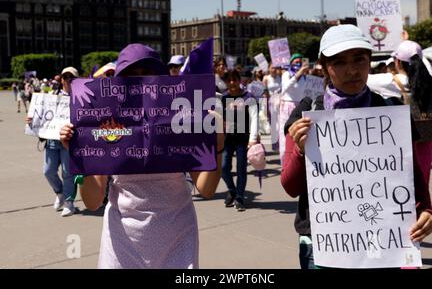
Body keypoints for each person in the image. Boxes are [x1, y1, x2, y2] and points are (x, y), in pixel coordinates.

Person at [280, 25, 432, 269]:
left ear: (370, 61)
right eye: (339, 62)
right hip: (324, 246)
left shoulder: (390, 112)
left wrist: (426, 211)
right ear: (323, 66)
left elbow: (413, 176)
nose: (352, 70)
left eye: (360, 60)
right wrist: (301, 151)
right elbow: (290, 186)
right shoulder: (308, 113)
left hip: (383, 242)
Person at [60, 44, 224, 269]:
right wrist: (79, 155)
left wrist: (218, 145)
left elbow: (206, 188)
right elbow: (92, 201)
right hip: (122, 240)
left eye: (147, 73)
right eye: (131, 75)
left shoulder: (181, 119)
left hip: (176, 236)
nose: (139, 82)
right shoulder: (106, 122)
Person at [26, 67, 78, 217]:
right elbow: (40, 114)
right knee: (48, 171)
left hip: (69, 140)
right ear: (61, 79)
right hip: (52, 140)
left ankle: (69, 202)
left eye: (71, 77)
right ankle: (59, 193)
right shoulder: (51, 95)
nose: (68, 80)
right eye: (65, 77)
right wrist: (31, 119)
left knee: (68, 173)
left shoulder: (80, 98)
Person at [392, 41, 432, 184]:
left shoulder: (393, 81)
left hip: (405, 144)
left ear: (398, 62)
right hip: (426, 140)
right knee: (423, 186)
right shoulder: (429, 81)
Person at [221, 70, 259, 211]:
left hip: (243, 139)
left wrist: (253, 139)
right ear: (226, 82)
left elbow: (254, 118)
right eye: (229, 80)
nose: (232, 83)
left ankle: (240, 197)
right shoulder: (222, 98)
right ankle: (232, 190)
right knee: (224, 168)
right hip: (227, 139)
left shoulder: (249, 97)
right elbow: (217, 117)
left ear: (239, 80)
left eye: (235, 80)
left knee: (241, 168)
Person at [279, 54, 310, 164]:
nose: (298, 64)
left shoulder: (305, 76)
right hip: (287, 106)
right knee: (286, 136)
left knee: (300, 134)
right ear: (291, 63)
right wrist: (298, 74)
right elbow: (286, 87)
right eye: (295, 62)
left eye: (300, 62)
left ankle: (298, 161)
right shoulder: (286, 74)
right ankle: (285, 162)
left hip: (300, 107)